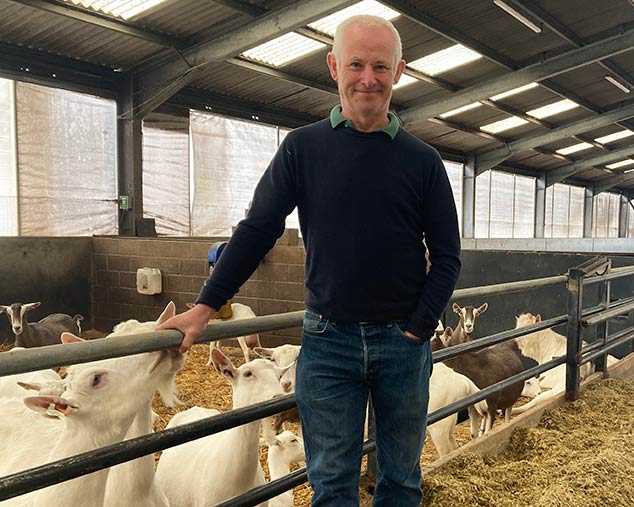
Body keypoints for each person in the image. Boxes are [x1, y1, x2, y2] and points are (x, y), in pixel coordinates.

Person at [156, 14, 461, 507]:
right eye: (356, 64)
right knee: (330, 483)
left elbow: (447, 256)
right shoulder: (303, 148)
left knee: (402, 481)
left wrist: (419, 327)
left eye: (380, 66)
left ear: (399, 71)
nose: (368, 78)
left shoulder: (422, 160)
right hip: (328, 341)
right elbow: (258, 230)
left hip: (402, 343)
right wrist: (206, 306)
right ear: (333, 66)